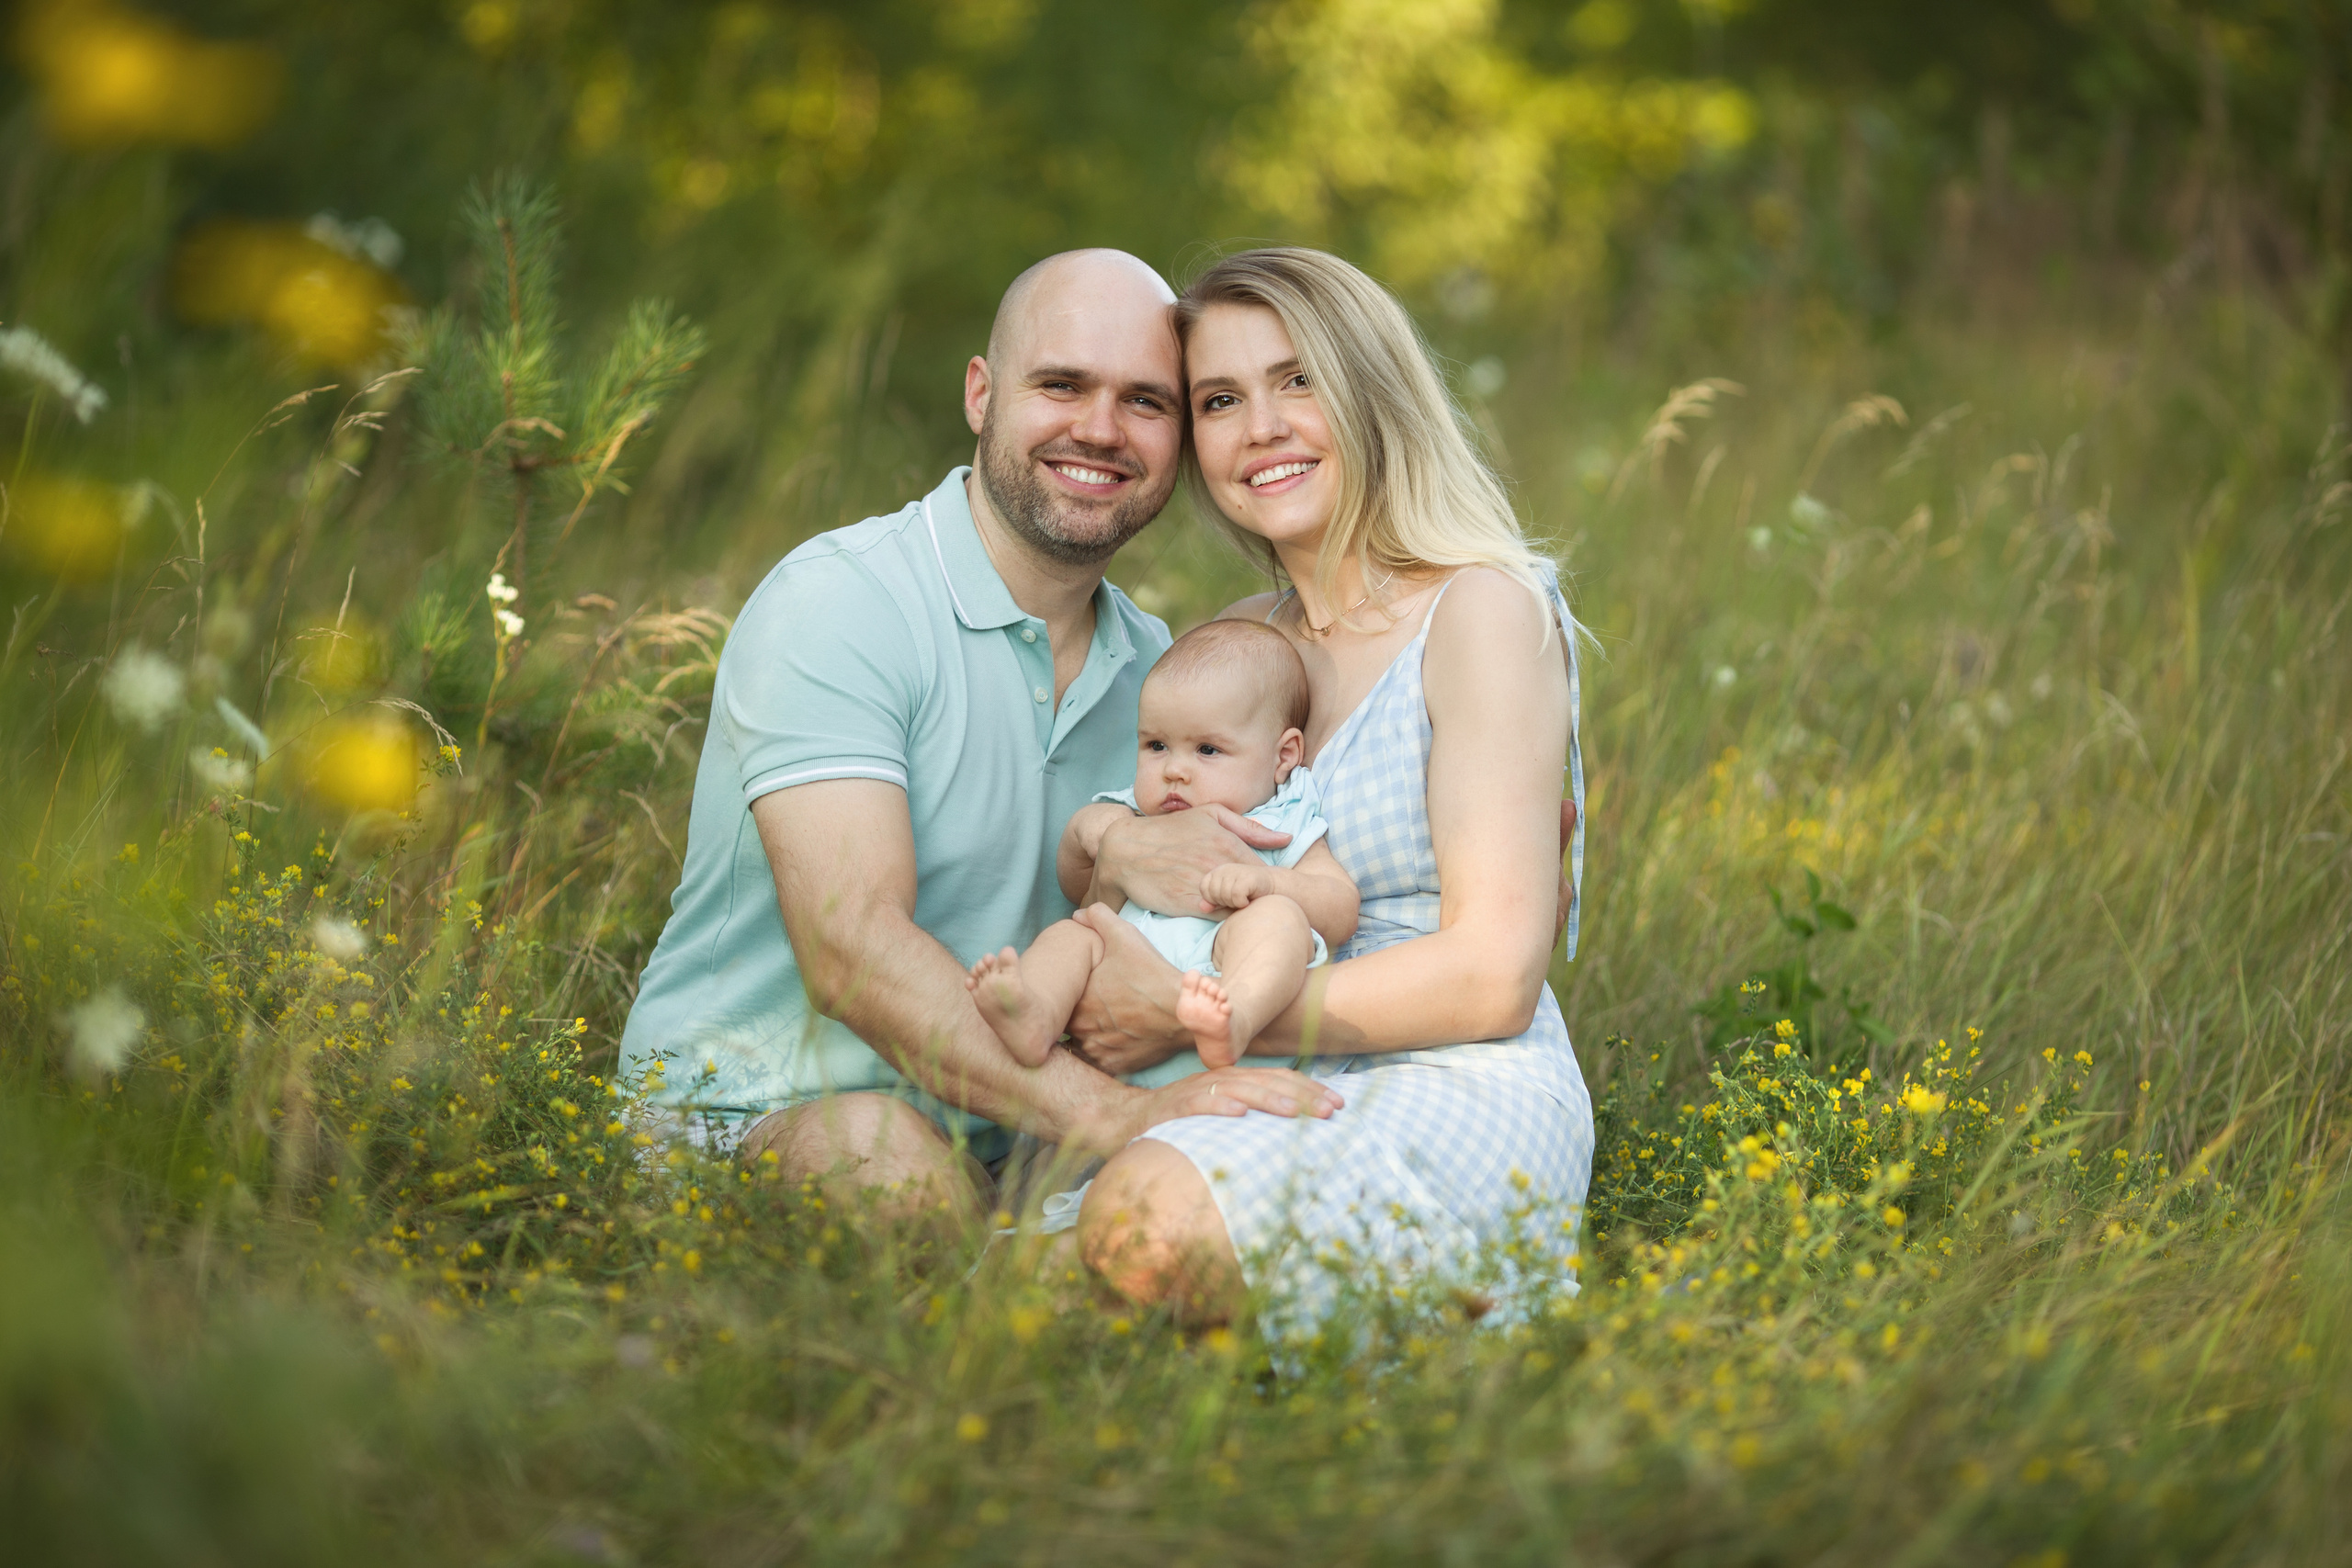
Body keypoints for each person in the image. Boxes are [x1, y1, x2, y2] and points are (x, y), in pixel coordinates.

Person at [616, 250, 1343, 1213]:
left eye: (1145, 401)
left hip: (1024, 1133)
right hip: (762, 1110)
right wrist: (1123, 1118)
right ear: (980, 394)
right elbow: (851, 950)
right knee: (890, 1171)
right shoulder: (843, 602)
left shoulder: (1163, 677)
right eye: (1062, 386)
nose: (1100, 429)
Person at [1062, 247, 1595, 1329]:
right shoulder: (1241, 643)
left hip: (1451, 1076)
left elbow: (1493, 977)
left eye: (1297, 380)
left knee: (1140, 1227)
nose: (1260, 427)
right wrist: (1112, 854)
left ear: (1371, 391)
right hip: (1259, 1066)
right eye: (1220, 400)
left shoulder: (1478, 612)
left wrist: (1189, 1018)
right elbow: (1149, 852)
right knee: (1003, 1281)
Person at [966, 618, 1359, 1071]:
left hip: (1220, 973)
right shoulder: (1138, 813)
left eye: (1207, 750)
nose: (1173, 770)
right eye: (1156, 745)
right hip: (1119, 993)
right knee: (1073, 934)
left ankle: (1236, 1018)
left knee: (1277, 921)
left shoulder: (1280, 819)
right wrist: (1092, 831)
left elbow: (1340, 907)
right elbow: (1078, 886)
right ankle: (1037, 1015)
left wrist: (1270, 884)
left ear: (1283, 756)